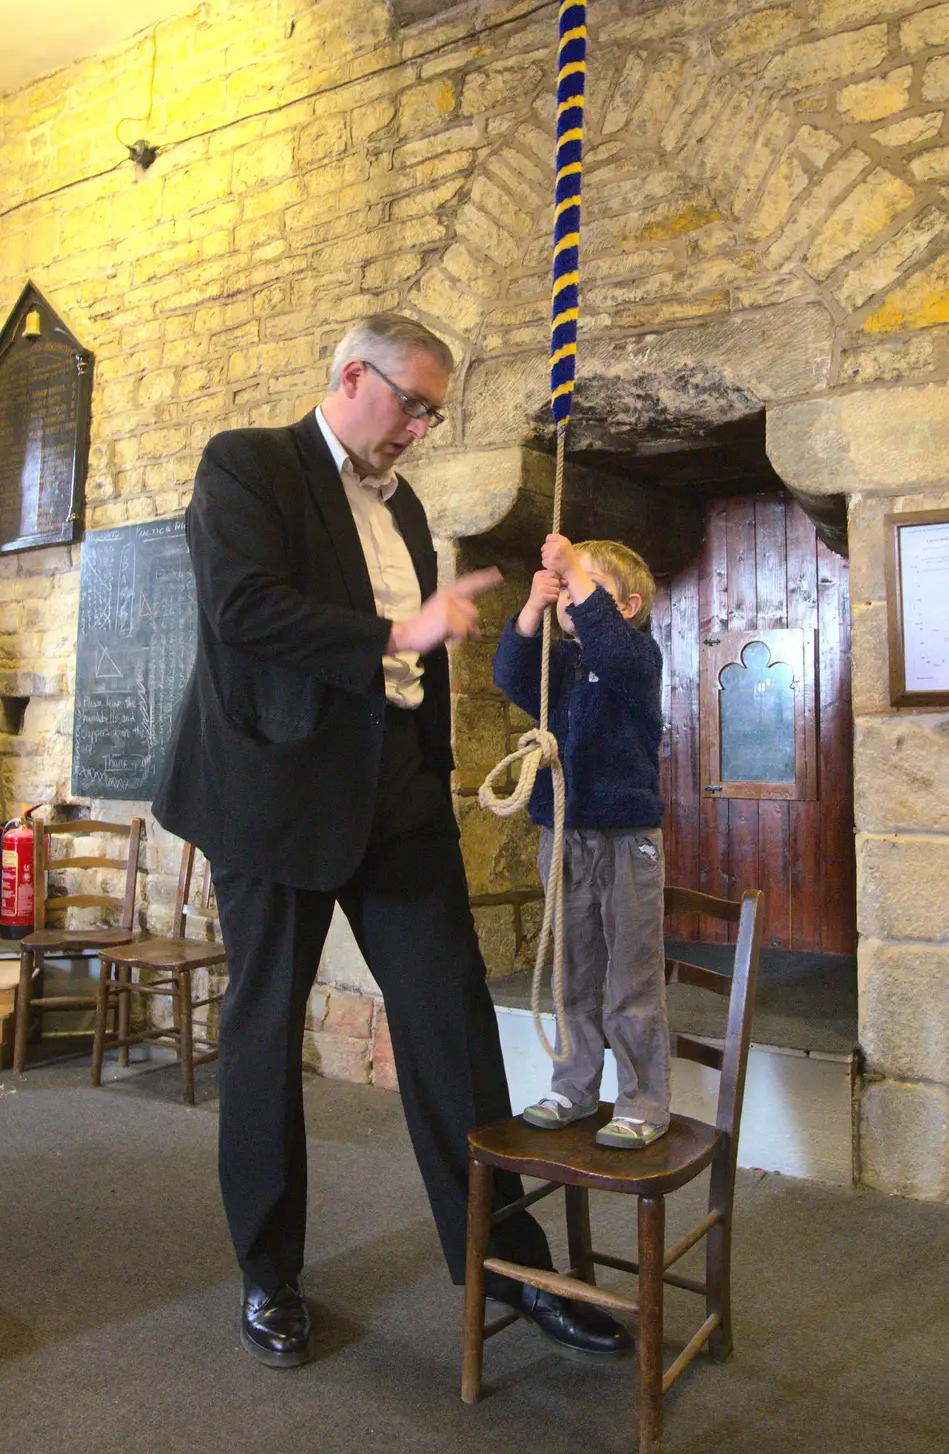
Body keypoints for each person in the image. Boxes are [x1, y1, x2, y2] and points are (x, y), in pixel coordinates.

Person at [153, 314, 631, 1366]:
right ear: (352, 375)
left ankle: (506, 1262)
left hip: (395, 800)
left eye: (433, 412)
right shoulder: (248, 465)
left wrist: (433, 773)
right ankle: (270, 1277)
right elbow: (243, 609)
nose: (420, 427)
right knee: (266, 1036)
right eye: (411, 402)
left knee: (452, 1026)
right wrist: (393, 634)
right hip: (271, 795)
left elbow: (417, 666)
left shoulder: (403, 504)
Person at [492, 533, 670, 1149]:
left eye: (585, 583)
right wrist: (531, 609)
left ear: (626, 606)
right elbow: (510, 675)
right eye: (566, 583)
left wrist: (571, 568)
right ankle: (573, 1086)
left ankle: (642, 1101)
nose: (571, 589)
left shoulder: (639, 658)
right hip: (565, 835)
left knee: (632, 978)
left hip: (627, 839)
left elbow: (615, 655)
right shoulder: (560, 665)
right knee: (573, 969)